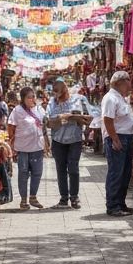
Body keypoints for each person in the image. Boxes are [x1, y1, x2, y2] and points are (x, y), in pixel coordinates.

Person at [46, 79, 92, 209]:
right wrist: (62, 117)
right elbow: (47, 121)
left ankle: (74, 197)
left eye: (59, 92)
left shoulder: (79, 99)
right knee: (60, 170)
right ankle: (63, 198)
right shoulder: (52, 103)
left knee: (73, 168)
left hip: (75, 140)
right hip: (58, 140)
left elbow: (90, 118)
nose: (57, 96)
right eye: (55, 93)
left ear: (65, 89)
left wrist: (76, 118)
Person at [101, 70, 133, 217]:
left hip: (126, 137)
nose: (130, 83)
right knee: (116, 172)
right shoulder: (110, 98)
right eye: (128, 80)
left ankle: (121, 204)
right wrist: (115, 139)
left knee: (125, 172)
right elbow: (107, 120)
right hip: (118, 138)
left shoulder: (121, 98)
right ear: (120, 83)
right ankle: (113, 206)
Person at [7, 86, 48, 210]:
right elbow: (10, 126)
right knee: (23, 174)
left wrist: (47, 143)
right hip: (23, 148)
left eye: (33, 97)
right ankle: (23, 200)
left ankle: (33, 197)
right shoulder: (17, 111)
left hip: (37, 147)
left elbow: (44, 126)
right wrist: (12, 143)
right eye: (29, 97)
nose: (32, 99)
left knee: (37, 173)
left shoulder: (39, 109)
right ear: (23, 99)